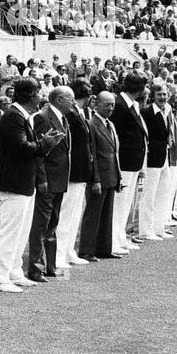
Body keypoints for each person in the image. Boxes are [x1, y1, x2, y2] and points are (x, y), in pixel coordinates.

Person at [0, 78, 64, 293]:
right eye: (38, 93)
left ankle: (14, 272)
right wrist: (44, 144)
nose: (41, 97)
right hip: (14, 181)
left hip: (24, 181)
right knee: (10, 230)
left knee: (20, 230)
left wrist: (43, 145)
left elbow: (27, 147)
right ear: (30, 95)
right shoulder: (14, 116)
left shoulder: (22, 116)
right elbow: (21, 147)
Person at [27, 86, 73, 280]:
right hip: (48, 180)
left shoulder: (62, 118)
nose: (73, 102)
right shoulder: (43, 117)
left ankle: (50, 266)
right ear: (60, 99)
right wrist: (42, 179)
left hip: (59, 179)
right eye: (70, 98)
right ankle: (35, 267)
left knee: (52, 223)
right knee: (41, 224)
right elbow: (39, 153)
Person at [57, 79, 97, 267]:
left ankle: (68, 251)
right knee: (67, 215)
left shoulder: (79, 113)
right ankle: (59, 255)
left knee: (74, 215)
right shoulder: (72, 115)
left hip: (81, 172)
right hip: (73, 172)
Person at [78, 91, 121, 260]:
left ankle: (104, 248)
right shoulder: (91, 124)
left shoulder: (110, 124)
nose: (110, 108)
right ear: (96, 104)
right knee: (93, 215)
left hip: (111, 175)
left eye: (112, 105)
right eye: (107, 105)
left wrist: (118, 176)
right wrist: (95, 179)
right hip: (99, 178)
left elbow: (114, 152)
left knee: (107, 215)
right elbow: (93, 155)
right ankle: (87, 250)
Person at [109, 72, 149, 251]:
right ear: (138, 88)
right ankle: (113, 240)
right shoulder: (119, 105)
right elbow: (116, 136)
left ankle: (120, 237)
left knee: (126, 204)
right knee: (119, 204)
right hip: (123, 161)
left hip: (133, 161)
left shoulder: (133, 105)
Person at [138, 82, 174, 238]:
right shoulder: (146, 112)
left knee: (163, 194)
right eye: (159, 94)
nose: (162, 97)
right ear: (153, 96)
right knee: (149, 195)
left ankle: (159, 228)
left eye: (165, 94)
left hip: (164, 157)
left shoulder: (167, 110)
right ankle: (145, 231)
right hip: (152, 159)